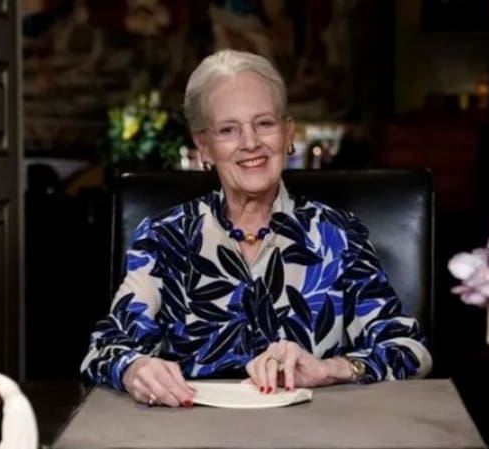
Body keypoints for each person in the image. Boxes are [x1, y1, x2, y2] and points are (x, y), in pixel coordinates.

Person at [81, 49, 432, 408]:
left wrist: (330, 369)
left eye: (264, 123)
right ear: (204, 146)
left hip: (313, 432)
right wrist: (134, 368)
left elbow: (409, 350)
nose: (250, 143)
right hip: (193, 431)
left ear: (287, 133)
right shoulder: (163, 239)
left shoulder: (337, 236)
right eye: (228, 130)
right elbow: (105, 349)